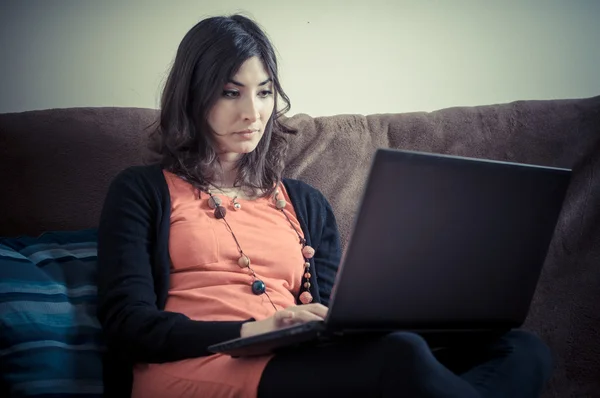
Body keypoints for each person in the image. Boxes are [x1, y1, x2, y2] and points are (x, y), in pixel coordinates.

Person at [96, 14, 553, 398]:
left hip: (296, 357)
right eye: (230, 92)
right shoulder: (143, 190)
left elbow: (334, 313)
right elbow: (127, 323)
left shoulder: (305, 203)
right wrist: (251, 331)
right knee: (401, 355)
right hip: (196, 364)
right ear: (193, 96)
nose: (253, 113)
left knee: (520, 348)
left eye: (264, 92)